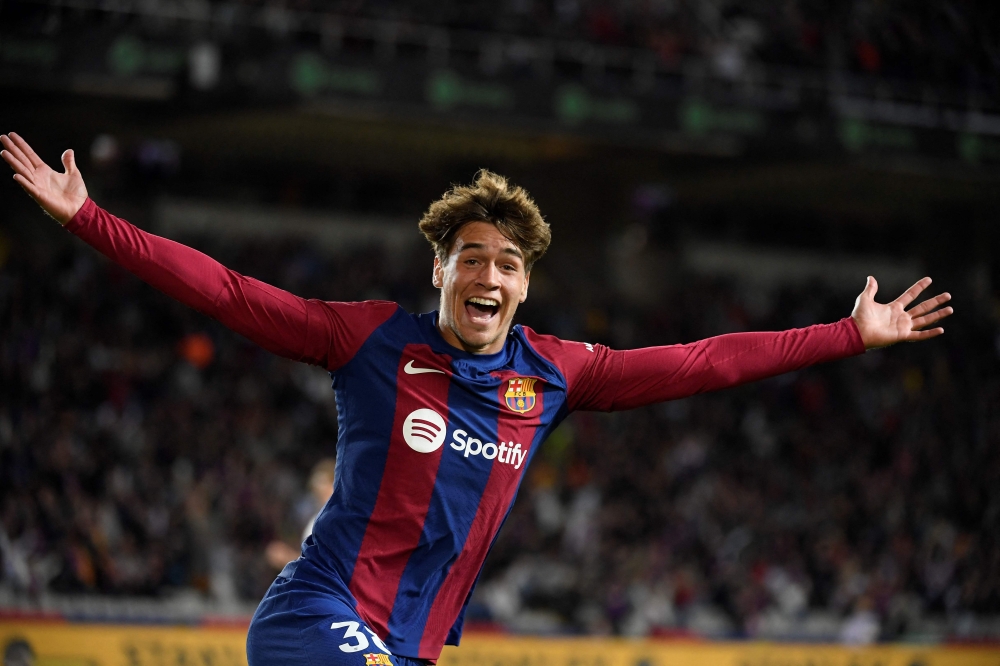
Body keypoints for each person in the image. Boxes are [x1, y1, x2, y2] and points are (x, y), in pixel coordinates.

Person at [1, 133, 953, 665]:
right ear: (441, 271)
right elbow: (228, 292)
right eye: (469, 257)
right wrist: (91, 219)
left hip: (408, 651)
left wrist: (846, 334)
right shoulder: (372, 340)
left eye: (506, 261)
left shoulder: (557, 377)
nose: (486, 274)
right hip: (315, 614)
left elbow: (704, 362)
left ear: (525, 285)